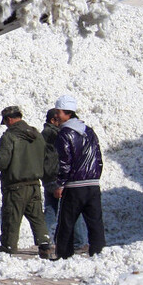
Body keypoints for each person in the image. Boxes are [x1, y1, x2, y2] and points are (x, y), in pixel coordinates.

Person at [0, 105, 55, 259]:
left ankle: (8, 248)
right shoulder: (37, 135)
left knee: (11, 218)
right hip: (34, 184)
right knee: (37, 217)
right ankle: (45, 245)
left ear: (9, 119)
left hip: (15, 186)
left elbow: (3, 161)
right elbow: (45, 156)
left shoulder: (9, 136)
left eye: (5, 121)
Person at [51, 94, 105, 259]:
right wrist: (95, 177)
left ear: (67, 114)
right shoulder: (89, 131)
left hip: (75, 186)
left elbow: (64, 162)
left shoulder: (65, 134)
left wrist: (60, 184)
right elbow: (99, 159)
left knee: (66, 223)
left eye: (58, 112)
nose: (56, 116)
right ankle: (99, 253)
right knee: (95, 222)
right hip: (93, 185)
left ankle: (64, 255)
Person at [42, 108, 87, 252]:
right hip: (59, 176)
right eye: (59, 119)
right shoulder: (57, 134)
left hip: (48, 176)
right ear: (53, 120)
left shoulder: (43, 135)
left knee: (51, 209)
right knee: (73, 207)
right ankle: (79, 242)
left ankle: (45, 240)